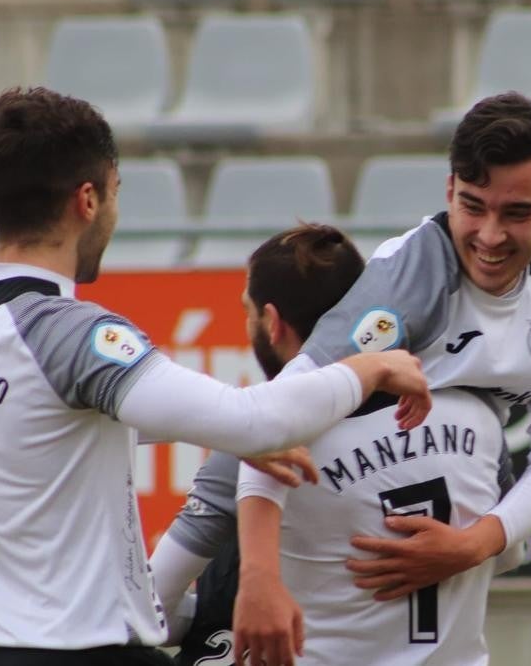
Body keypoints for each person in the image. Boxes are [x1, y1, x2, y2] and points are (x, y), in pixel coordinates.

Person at [0, 87, 430, 666]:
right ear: (87, 199)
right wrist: (369, 365)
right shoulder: (66, 331)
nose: (113, 210)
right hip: (80, 651)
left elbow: (42, 428)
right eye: (115, 193)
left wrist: (215, 434)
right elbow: (257, 421)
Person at [150, 90, 531, 662]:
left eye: (516, 213)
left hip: (468, 494)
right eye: (473, 206)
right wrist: (260, 580)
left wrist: (475, 543)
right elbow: (282, 413)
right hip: (371, 476)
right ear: (448, 193)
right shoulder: (408, 280)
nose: (489, 236)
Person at [157, 225, 507, 665]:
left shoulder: (259, 445)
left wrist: (213, 613)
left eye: (247, 312)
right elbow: (511, 548)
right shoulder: (475, 415)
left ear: (272, 321)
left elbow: (149, 605)